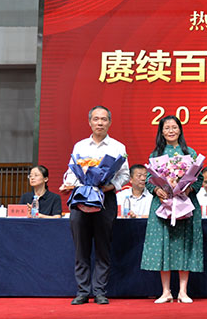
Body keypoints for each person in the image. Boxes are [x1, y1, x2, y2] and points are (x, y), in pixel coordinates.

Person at [60, 105, 129, 305]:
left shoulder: (118, 147)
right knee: (81, 248)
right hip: (81, 198)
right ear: (90, 122)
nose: (100, 123)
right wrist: (69, 184)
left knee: (103, 247)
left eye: (104, 119)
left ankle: (99, 291)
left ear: (110, 122)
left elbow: (124, 175)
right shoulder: (80, 146)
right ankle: (82, 291)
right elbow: (72, 171)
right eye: (96, 119)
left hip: (105, 199)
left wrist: (110, 186)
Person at [140, 115, 204, 304]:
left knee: (184, 244)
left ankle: (183, 291)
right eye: (167, 128)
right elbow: (149, 180)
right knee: (164, 244)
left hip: (185, 204)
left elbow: (198, 178)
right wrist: (157, 190)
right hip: (163, 205)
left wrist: (187, 189)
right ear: (161, 132)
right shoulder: (156, 154)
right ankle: (166, 291)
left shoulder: (189, 152)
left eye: (174, 127)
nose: (171, 131)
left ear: (180, 130)